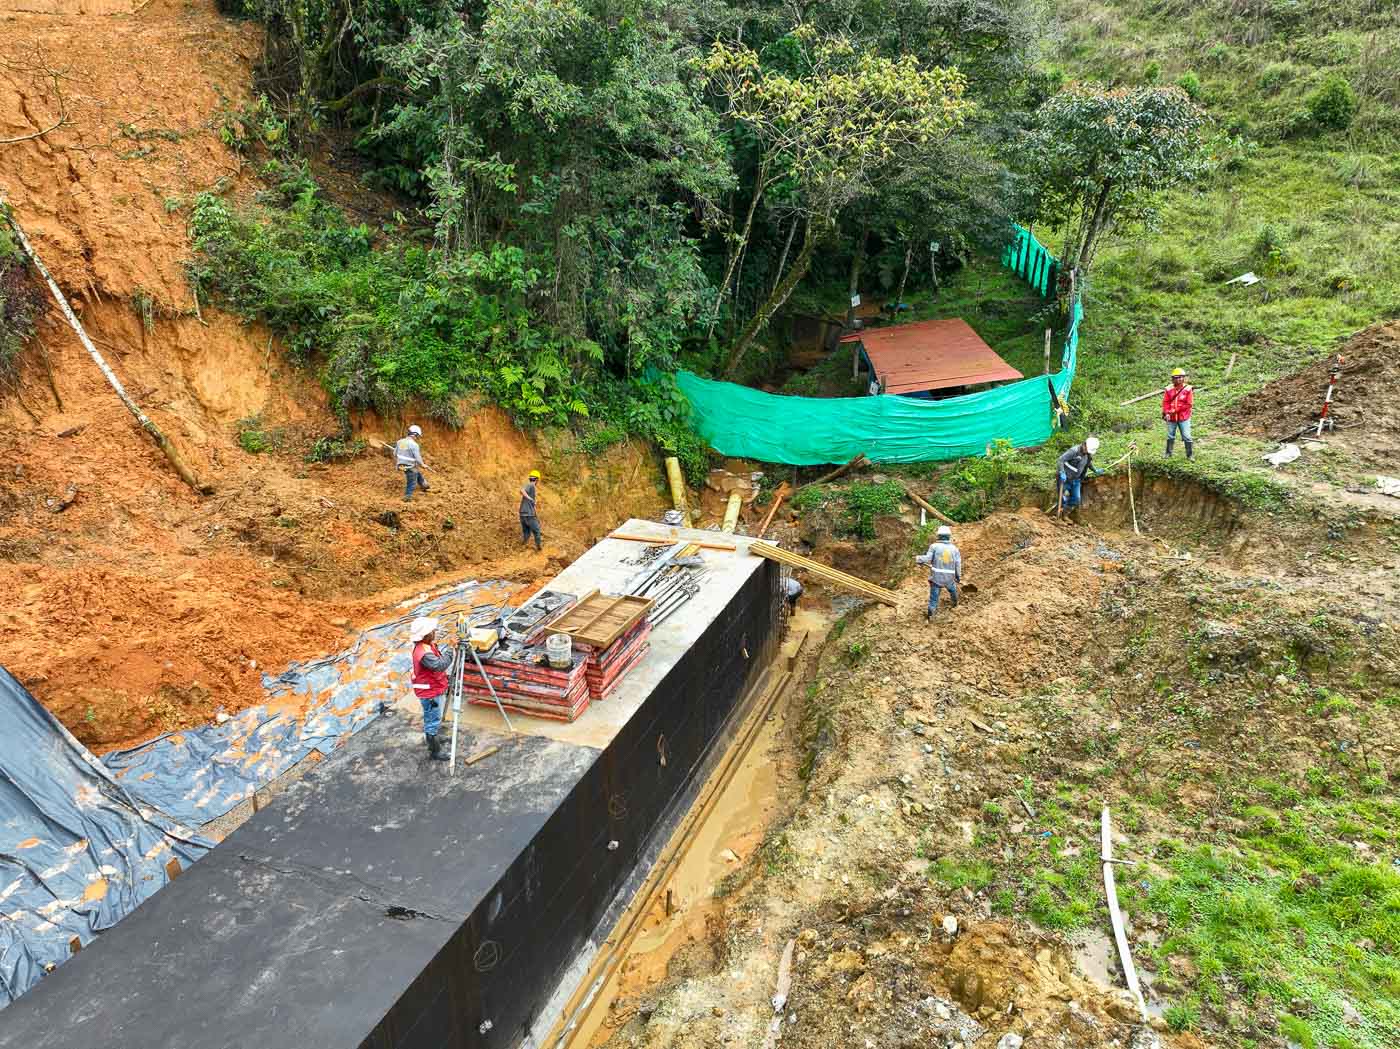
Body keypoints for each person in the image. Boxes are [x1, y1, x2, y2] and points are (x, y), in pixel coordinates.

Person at [408, 616, 454, 761]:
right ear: (426, 634)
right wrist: (451, 650)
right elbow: (439, 665)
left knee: (434, 717)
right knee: (432, 720)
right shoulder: (424, 653)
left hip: (433, 688)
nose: (435, 632)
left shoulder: (427, 646)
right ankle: (435, 751)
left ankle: (434, 737)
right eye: (432, 631)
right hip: (429, 693)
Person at [915, 525, 962, 622]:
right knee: (953, 591)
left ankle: (931, 616)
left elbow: (927, 559)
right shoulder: (955, 549)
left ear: (938, 536)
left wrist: (918, 558)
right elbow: (958, 565)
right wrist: (958, 577)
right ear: (949, 536)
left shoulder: (934, 546)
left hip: (936, 578)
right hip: (949, 578)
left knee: (933, 599)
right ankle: (955, 605)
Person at [1056, 436, 1100, 516]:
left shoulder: (1088, 454)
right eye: (1087, 449)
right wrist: (1062, 472)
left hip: (1076, 480)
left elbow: (1088, 463)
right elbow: (1061, 460)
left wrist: (1095, 470)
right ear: (1084, 444)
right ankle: (1058, 515)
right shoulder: (1074, 451)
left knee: (1076, 499)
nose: (1087, 452)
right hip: (1065, 479)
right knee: (1062, 497)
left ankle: (1065, 514)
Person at [1162, 368, 1194, 459]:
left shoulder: (1188, 389)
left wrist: (1173, 411)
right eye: (1176, 378)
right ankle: (1168, 453)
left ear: (1183, 378)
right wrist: (1166, 412)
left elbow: (1188, 404)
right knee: (1170, 435)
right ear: (1173, 379)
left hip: (1183, 417)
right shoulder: (1168, 389)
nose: (1178, 379)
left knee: (1187, 436)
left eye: (1180, 377)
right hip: (1171, 418)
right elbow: (1166, 402)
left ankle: (1190, 455)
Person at [396, 424, 431, 502]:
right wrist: (422, 465)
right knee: (412, 481)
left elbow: (395, 454)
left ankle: (424, 484)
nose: (417, 438)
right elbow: (418, 458)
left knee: (415, 472)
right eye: (417, 436)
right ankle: (407, 497)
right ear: (415, 434)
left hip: (401, 466)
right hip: (409, 467)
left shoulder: (399, 442)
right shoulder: (414, 445)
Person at [520, 469, 543, 551]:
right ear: (537, 480)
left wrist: (536, 515)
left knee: (526, 533)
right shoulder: (531, 485)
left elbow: (533, 505)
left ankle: (523, 547)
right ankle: (539, 549)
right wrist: (530, 498)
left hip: (523, 514)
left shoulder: (532, 488)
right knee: (537, 531)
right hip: (529, 515)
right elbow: (522, 490)